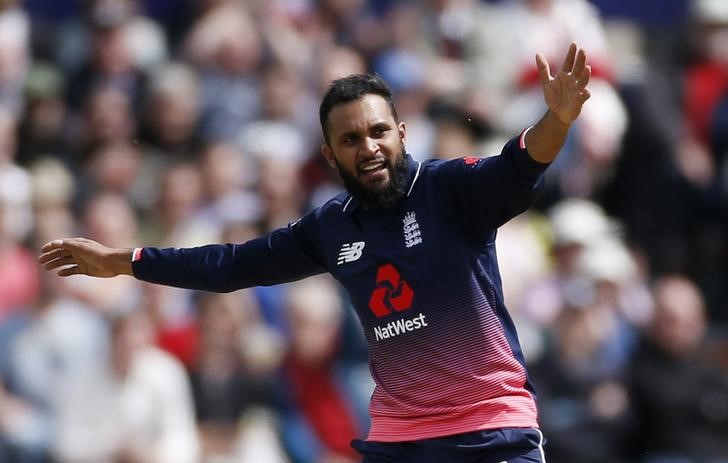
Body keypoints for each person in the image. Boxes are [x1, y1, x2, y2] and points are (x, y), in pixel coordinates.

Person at [39, 43, 592, 463]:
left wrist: (559, 120)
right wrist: (126, 261)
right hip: (403, 438)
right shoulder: (330, 227)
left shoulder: (451, 190)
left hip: (491, 428)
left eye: (379, 131)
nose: (368, 147)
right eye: (351, 140)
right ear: (331, 155)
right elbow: (233, 265)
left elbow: (521, 163)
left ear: (401, 132)